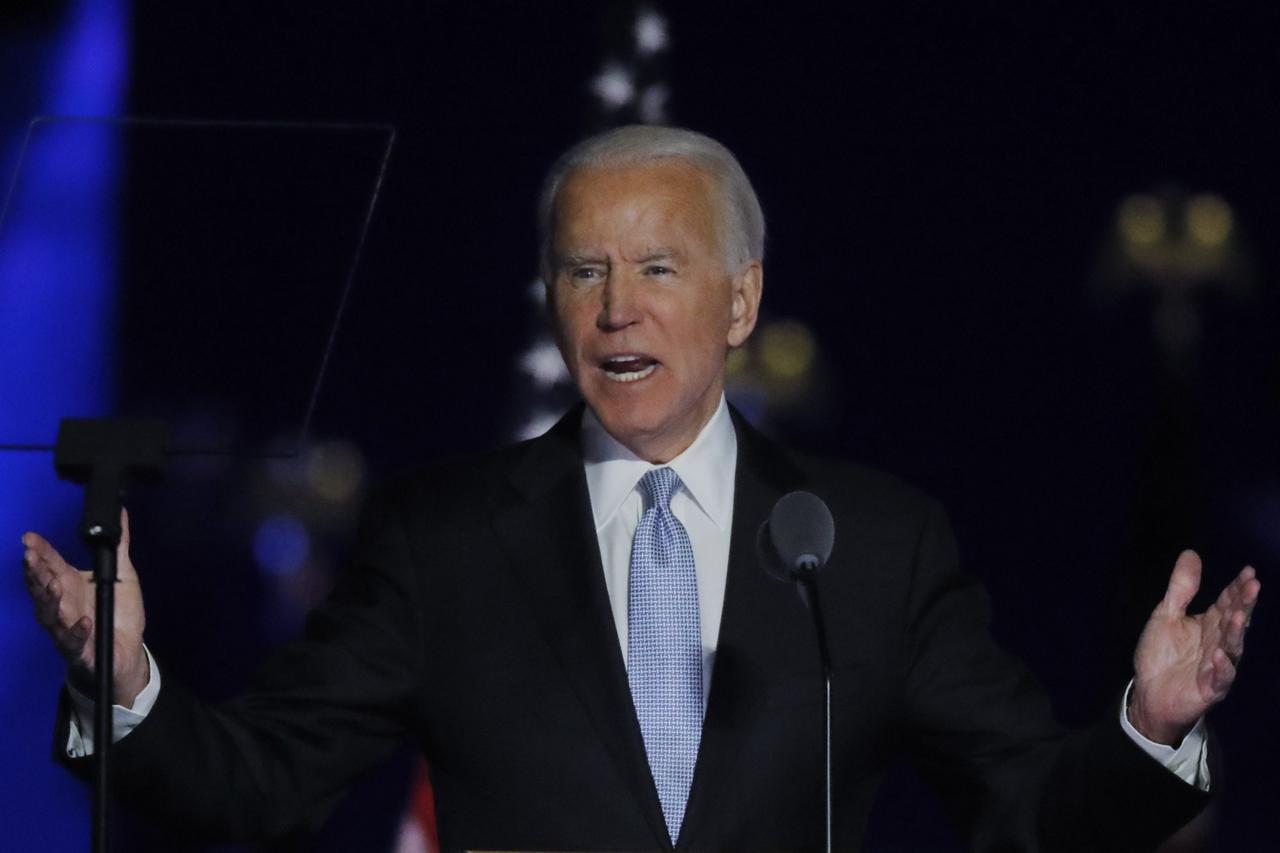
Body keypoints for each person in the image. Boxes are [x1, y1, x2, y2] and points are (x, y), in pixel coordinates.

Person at [22, 126, 1260, 851]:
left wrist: (1149, 728)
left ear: (740, 300)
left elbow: (1031, 809)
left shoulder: (872, 545)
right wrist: (124, 684)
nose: (616, 309)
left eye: (658, 268)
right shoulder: (443, 538)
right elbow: (258, 780)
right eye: (583, 271)